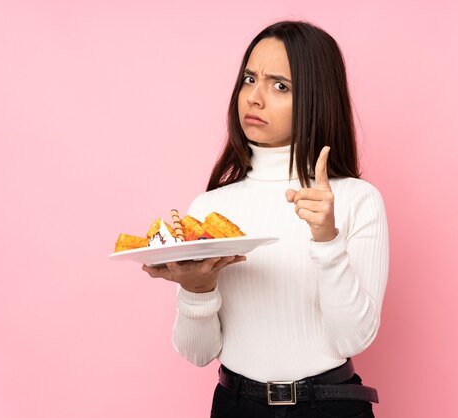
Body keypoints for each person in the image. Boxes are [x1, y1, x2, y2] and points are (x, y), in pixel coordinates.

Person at [143, 20, 389, 418]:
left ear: (316, 98)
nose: (254, 98)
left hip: (330, 408)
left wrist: (327, 240)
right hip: (236, 407)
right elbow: (197, 353)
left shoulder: (357, 200)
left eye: (280, 86)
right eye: (249, 78)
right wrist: (197, 288)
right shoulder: (209, 207)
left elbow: (352, 339)